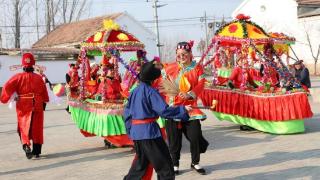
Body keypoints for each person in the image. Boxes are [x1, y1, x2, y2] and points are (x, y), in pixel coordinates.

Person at [124, 61, 190, 180]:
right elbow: (163, 111)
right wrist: (182, 110)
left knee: (140, 167)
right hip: (150, 134)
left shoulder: (134, 92)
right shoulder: (150, 92)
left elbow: (127, 114)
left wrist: (131, 131)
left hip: (138, 134)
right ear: (153, 80)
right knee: (166, 168)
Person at [162, 41, 209, 175]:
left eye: (184, 54)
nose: (181, 57)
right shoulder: (169, 68)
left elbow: (201, 84)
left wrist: (189, 94)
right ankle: (175, 163)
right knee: (174, 139)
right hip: (174, 108)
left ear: (190, 54)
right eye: (179, 54)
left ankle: (195, 162)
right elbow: (162, 84)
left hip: (190, 107)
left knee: (195, 136)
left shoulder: (197, 68)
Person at [0, 53, 49, 159]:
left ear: (23, 64)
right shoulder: (39, 78)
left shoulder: (17, 77)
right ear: (33, 64)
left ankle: (26, 145)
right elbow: (44, 92)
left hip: (23, 104)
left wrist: (5, 98)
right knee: (37, 127)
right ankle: (37, 151)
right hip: (37, 103)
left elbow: (6, 87)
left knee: (23, 126)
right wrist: (44, 102)